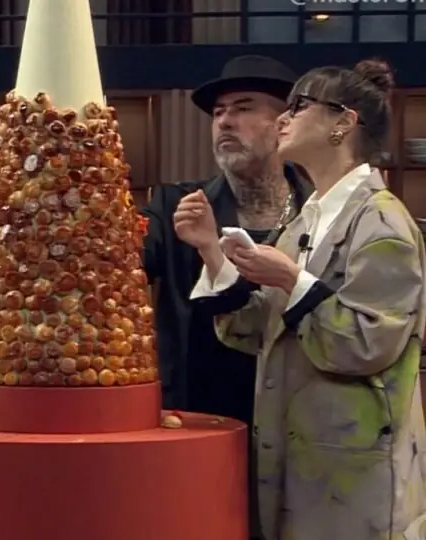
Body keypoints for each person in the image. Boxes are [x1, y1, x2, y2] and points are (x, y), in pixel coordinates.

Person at [179, 58, 426, 540]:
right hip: (298, 461)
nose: (284, 119)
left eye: (299, 107)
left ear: (343, 123)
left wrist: (293, 280)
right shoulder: (305, 222)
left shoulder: (382, 223)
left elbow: (367, 344)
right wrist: (212, 251)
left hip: (355, 477)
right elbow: (259, 329)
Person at [142, 55, 313, 425]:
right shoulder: (176, 206)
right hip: (197, 419)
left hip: (296, 421)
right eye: (218, 112)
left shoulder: (321, 213)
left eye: (244, 108)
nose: (225, 122)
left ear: (284, 124)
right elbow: (117, 261)